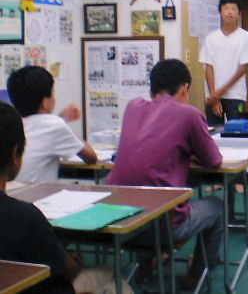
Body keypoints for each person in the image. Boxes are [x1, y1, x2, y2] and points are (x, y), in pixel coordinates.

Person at [106, 59, 223, 288]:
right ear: (185, 88)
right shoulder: (189, 114)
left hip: (118, 222)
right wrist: (190, 154)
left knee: (147, 190)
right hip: (163, 228)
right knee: (217, 207)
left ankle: (146, 265)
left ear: (152, 87)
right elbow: (214, 160)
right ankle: (196, 275)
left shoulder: (132, 107)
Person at [0, 101, 131, 294]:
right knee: (111, 277)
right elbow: (68, 270)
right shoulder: (25, 218)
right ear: (14, 154)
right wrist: (72, 260)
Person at [6, 66, 97, 183]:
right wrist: (64, 125)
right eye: (53, 93)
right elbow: (91, 158)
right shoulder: (55, 125)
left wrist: (62, 120)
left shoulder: (10, 121)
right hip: (34, 193)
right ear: (44, 102)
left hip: (10, 192)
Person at [200, 0, 248, 125]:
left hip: (236, 95)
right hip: (213, 96)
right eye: (226, 8)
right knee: (214, 132)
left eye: (233, 8)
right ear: (220, 11)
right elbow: (209, 68)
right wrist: (214, 96)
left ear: (239, 13)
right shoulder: (211, 38)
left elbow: (243, 68)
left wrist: (219, 92)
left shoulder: (245, 37)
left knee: (237, 132)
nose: (229, 12)